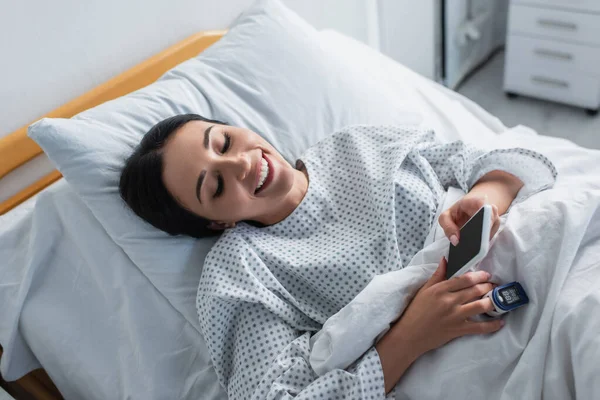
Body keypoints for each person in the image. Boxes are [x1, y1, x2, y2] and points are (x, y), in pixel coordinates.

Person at [119, 114, 557, 398]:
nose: (240, 164)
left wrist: (486, 196)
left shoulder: (360, 143)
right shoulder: (240, 274)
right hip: (465, 358)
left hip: (531, 253)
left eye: (225, 141)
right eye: (215, 186)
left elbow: (491, 161)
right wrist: (411, 335)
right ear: (216, 223)